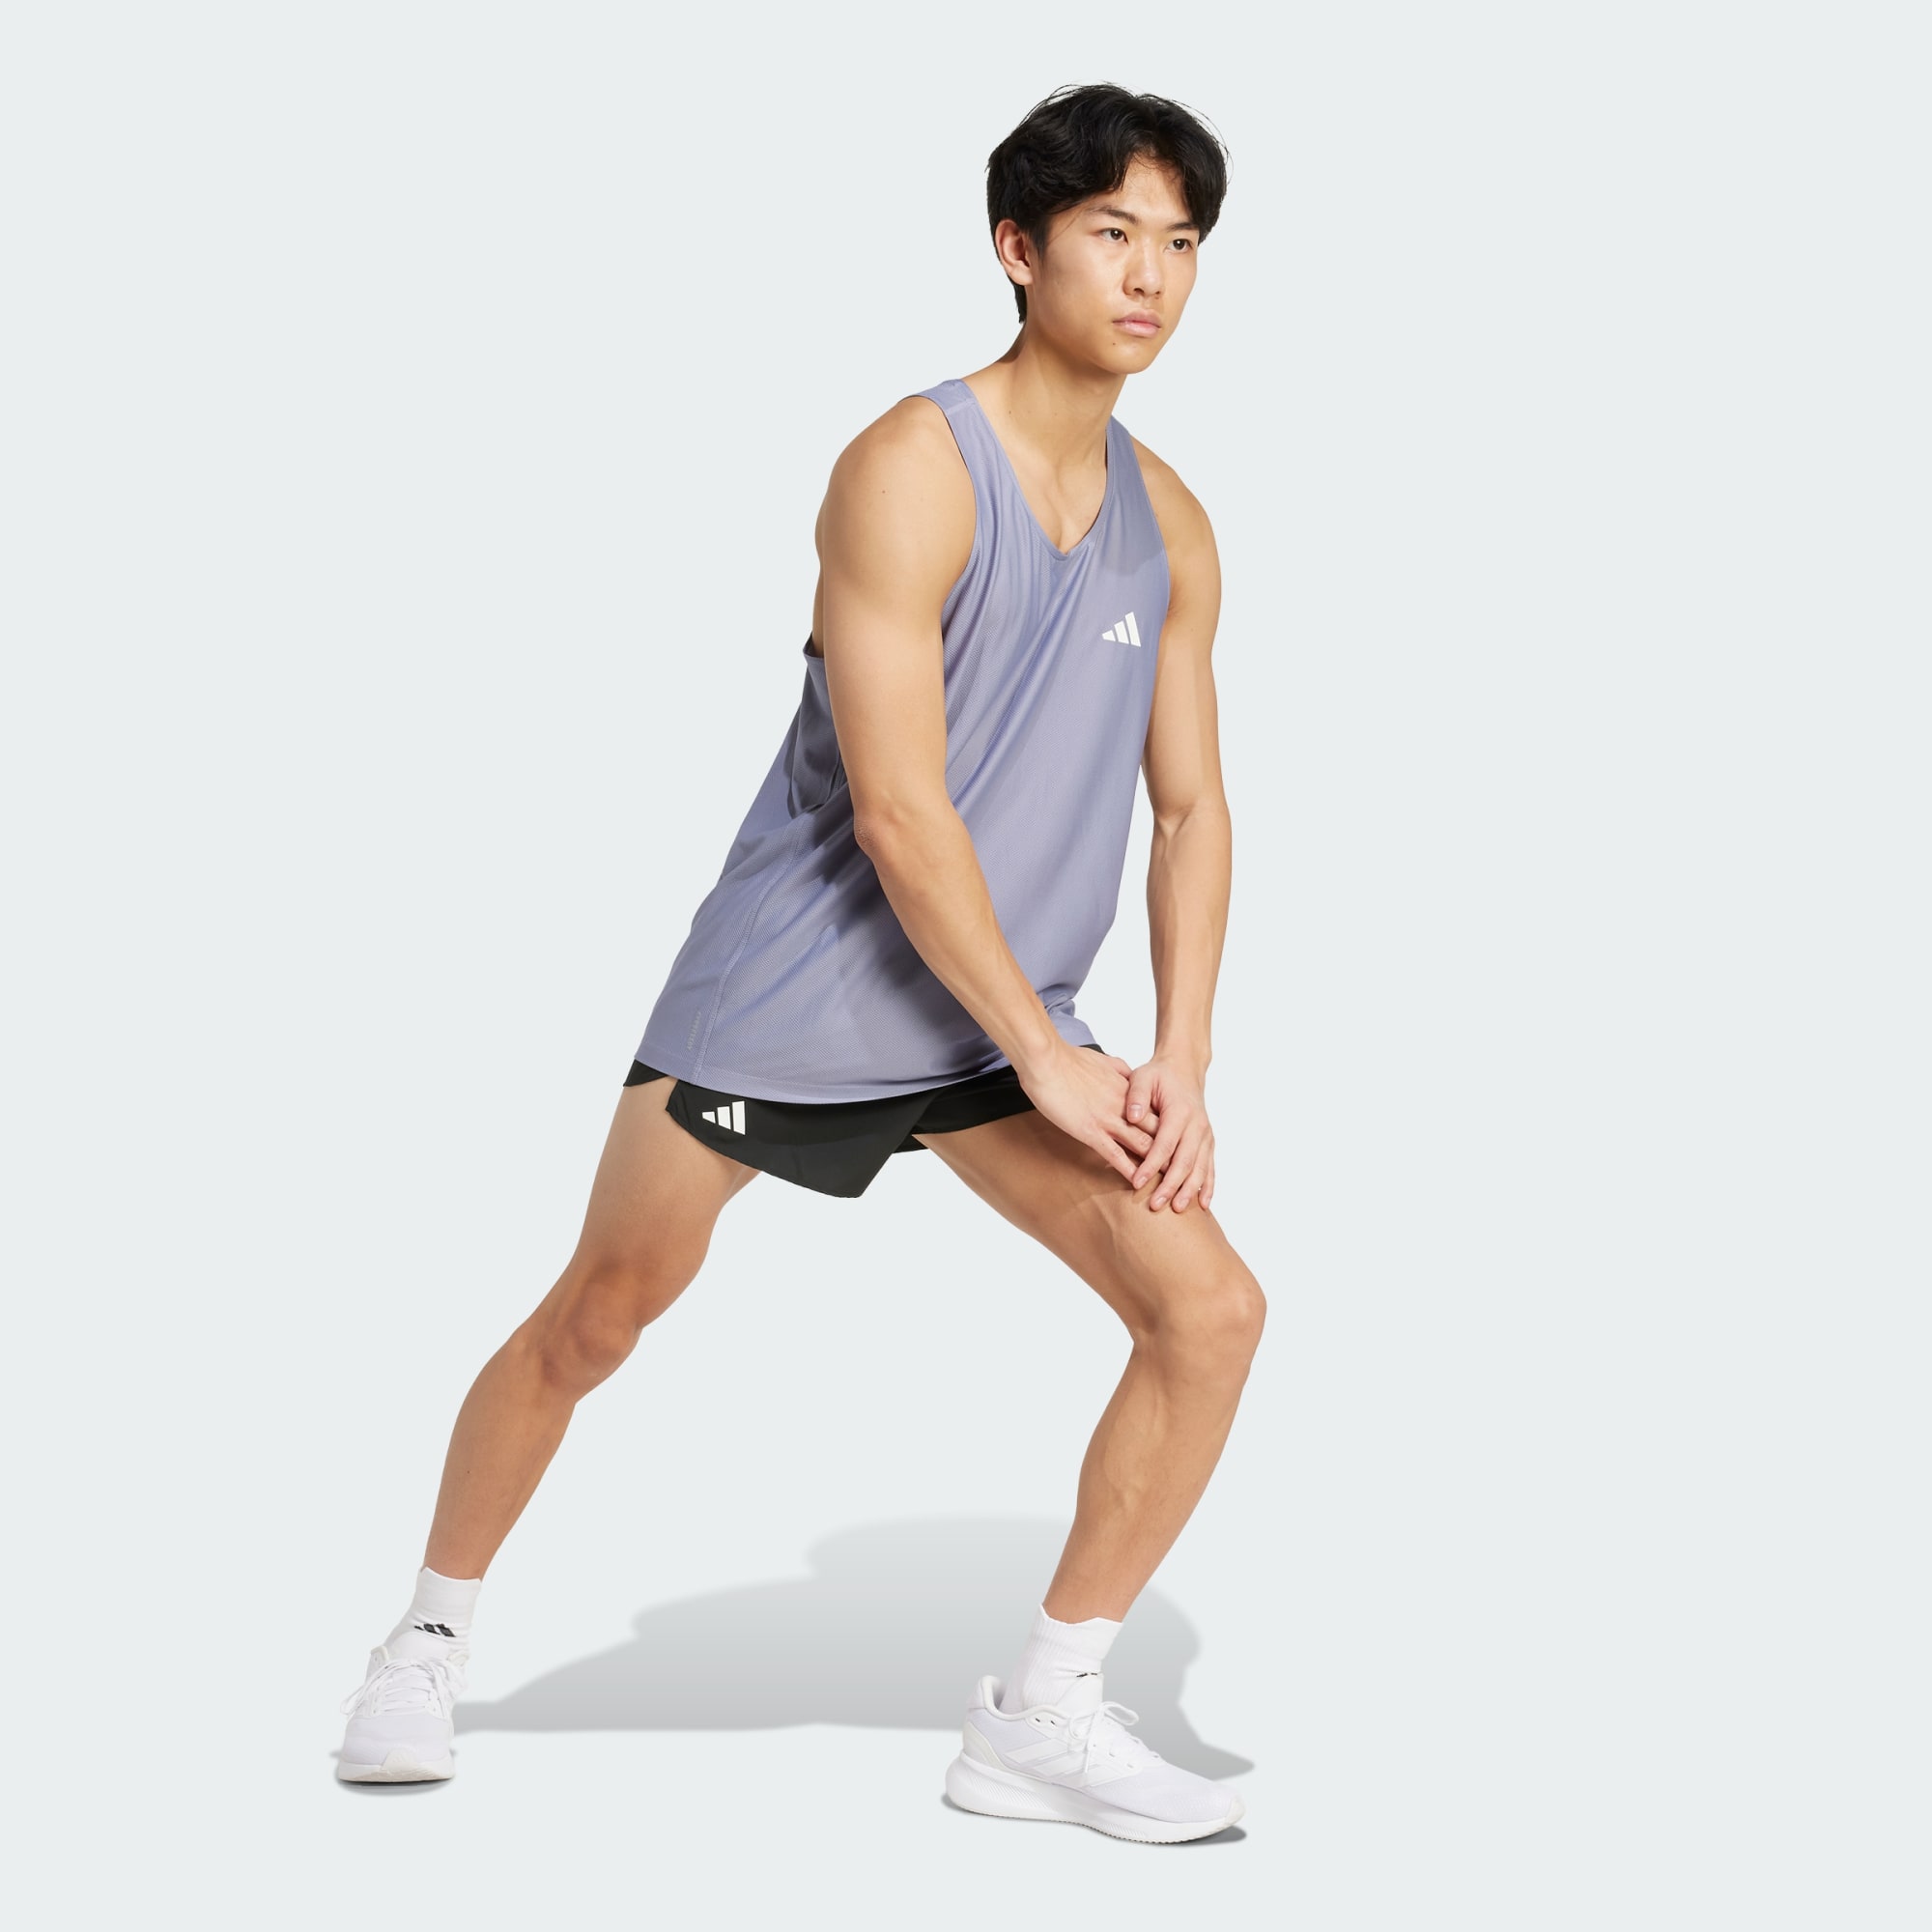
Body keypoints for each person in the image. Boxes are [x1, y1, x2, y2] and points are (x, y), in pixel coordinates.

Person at [337, 80, 1262, 1845]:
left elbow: (1195, 805)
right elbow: (900, 815)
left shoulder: (1179, 525)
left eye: (1180, 242)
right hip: (810, 984)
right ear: (1019, 249)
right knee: (600, 1314)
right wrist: (1050, 1057)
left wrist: (1182, 1058)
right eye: (1112, 234)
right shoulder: (908, 468)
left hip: (1005, 1021)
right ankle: (426, 1639)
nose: (1151, 275)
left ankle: (1043, 1714)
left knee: (1209, 1312)